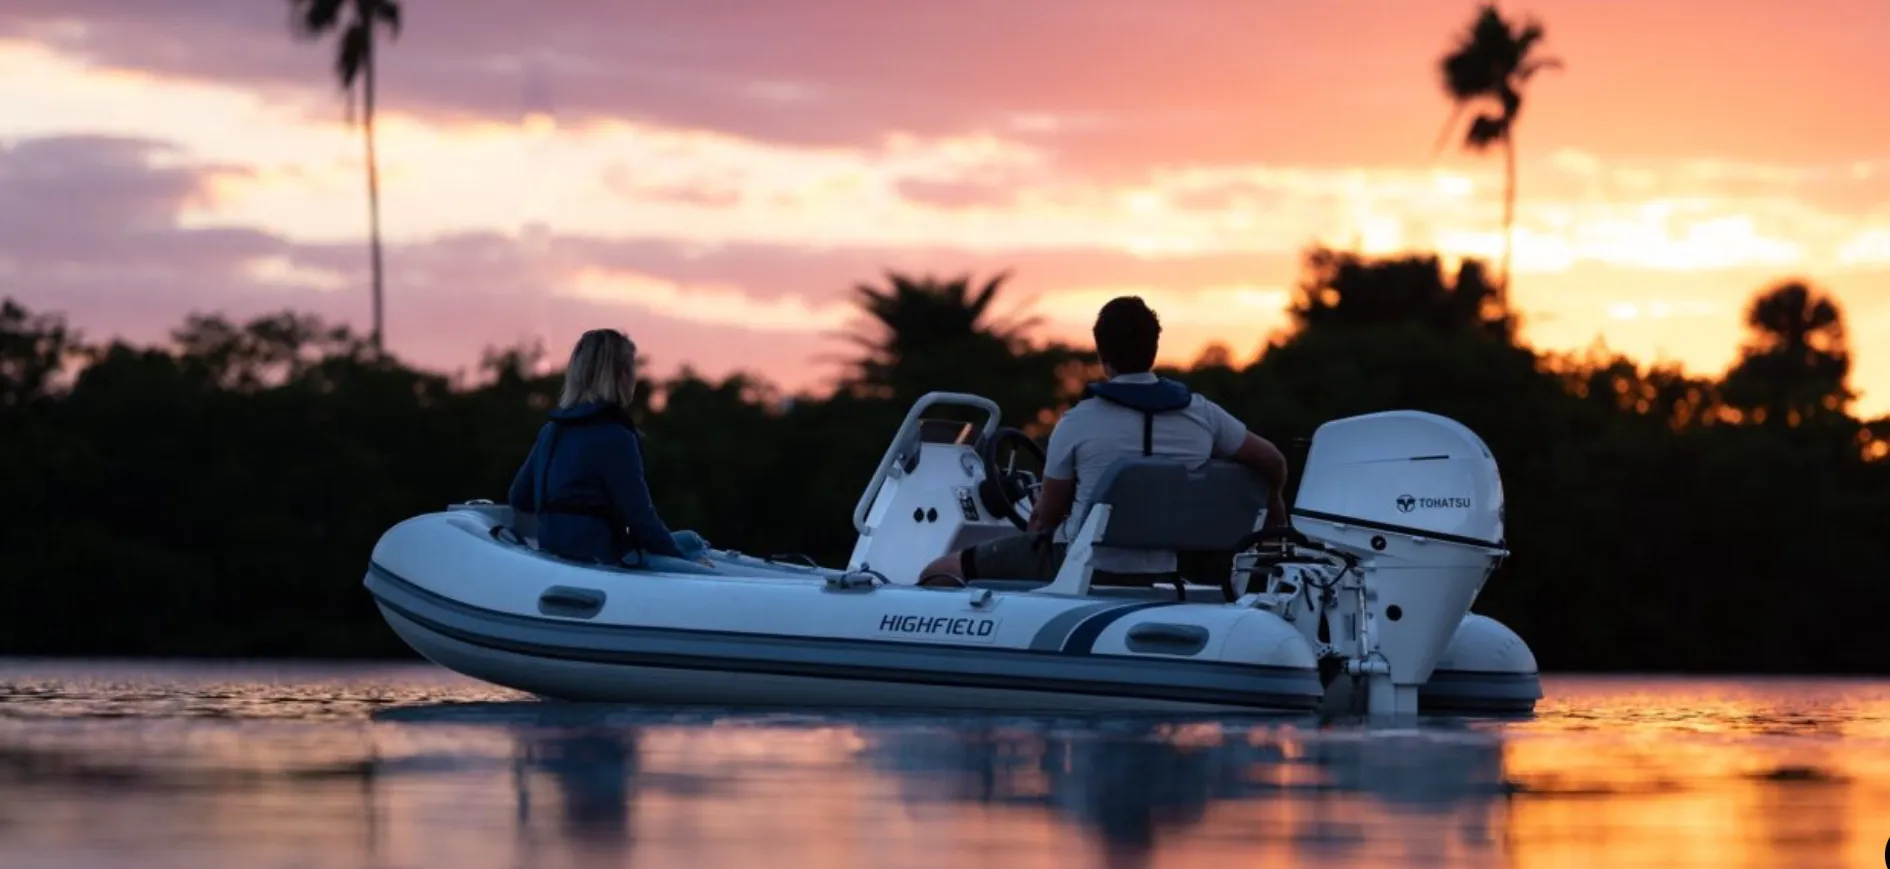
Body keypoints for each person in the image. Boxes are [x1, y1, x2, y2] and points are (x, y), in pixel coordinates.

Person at [919, 296, 1290, 587]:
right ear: (1154, 349)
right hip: (1160, 571)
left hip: (1077, 564)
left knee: (942, 567)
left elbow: (1043, 522)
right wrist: (1274, 508)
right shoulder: (1203, 415)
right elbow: (1273, 461)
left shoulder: (1077, 423)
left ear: (1102, 354)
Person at [507, 328, 713, 568]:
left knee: (688, 539)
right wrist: (679, 558)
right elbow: (640, 518)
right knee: (693, 546)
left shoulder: (551, 432)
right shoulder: (615, 435)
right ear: (621, 375)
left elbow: (520, 497)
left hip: (553, 549)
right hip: (599, 559)